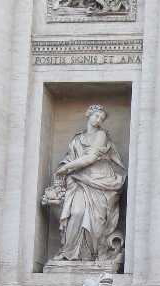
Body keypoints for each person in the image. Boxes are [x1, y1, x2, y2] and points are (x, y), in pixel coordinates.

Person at [50, 104, 126, 262]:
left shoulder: (101, 135)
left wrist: (65, 169)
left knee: (96, 220)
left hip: (100, 180)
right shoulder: (77, 139)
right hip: (79, 180)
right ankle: (69, 252)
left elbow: (90, 158)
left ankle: (91, 255)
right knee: (77, 213)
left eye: (101, 118)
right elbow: (69, 158)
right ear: (88, 114)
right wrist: (64, 169)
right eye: (96, 116)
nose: (98, 119)